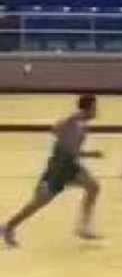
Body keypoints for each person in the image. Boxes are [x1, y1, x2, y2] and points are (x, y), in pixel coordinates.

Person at [0, 94, 103, 247]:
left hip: (71, 166)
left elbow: (66, 143)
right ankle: (8, 226)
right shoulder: (74, 122)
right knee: (38, 203)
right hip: (59, 169)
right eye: (94, 108)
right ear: (87, 109)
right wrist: (68, 135)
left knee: (93, 186)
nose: (97, 111)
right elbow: (58, 130)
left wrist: (88, 153)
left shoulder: (81, 126)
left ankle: (83, 226)